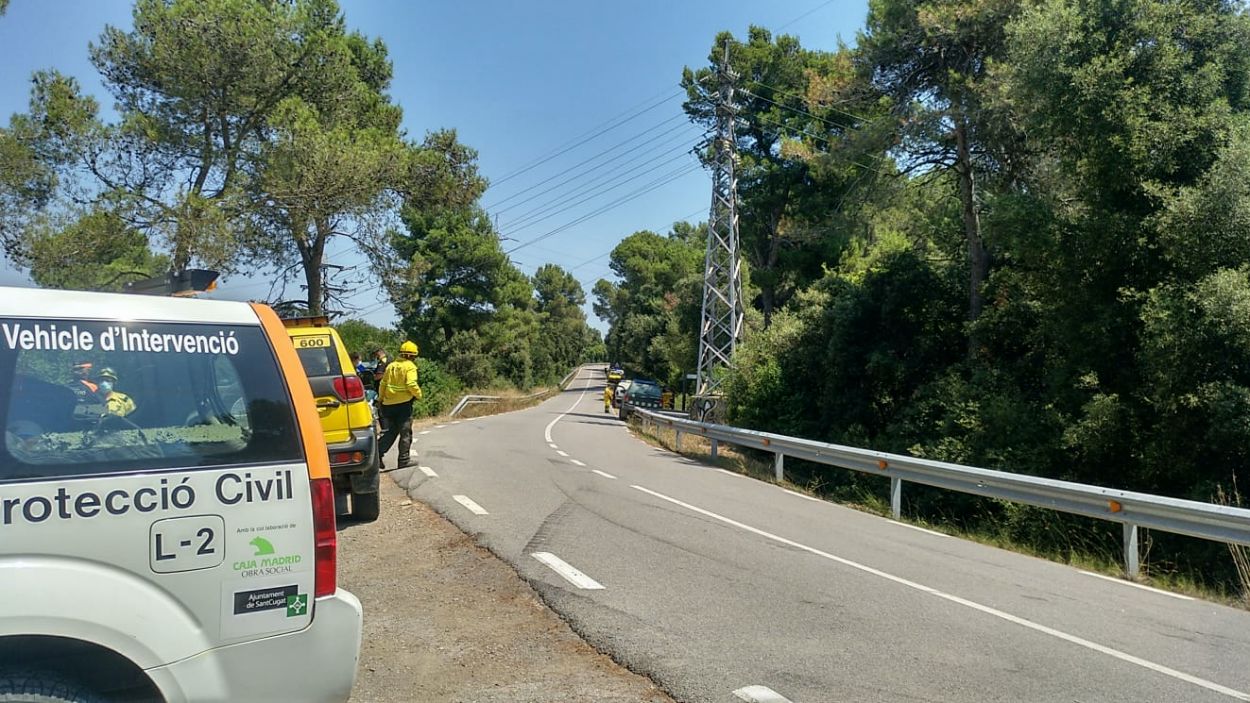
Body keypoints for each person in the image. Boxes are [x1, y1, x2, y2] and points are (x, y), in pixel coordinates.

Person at [376, 341, 422, 469]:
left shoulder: (391, 366)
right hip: (403, 405)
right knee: (405, 433)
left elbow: (383, 384)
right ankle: (404, 460)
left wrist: (380, 400)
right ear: (411, 356)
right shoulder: (410, 366)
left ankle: (377, 454)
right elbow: (411, 384)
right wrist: (419, 395)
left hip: (388, 405)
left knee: (391, 431)